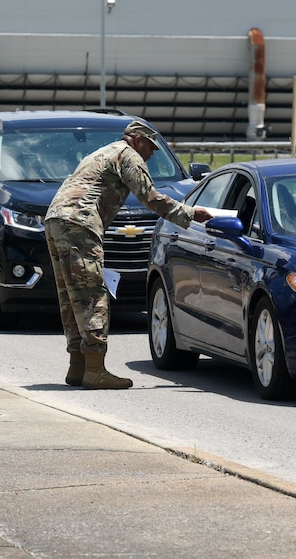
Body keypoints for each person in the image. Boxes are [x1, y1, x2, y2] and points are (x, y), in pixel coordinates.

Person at [45, 120, 214, 390]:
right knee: (92, 295)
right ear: (136, 140)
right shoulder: (128, 156)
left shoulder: (104, 152)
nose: (152, 153)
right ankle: (95, 371)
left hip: (56, 219)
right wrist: (190, 214)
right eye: (150, 146)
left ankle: (78, 367)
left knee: (70, 295)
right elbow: (150, 197)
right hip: (80, 222)